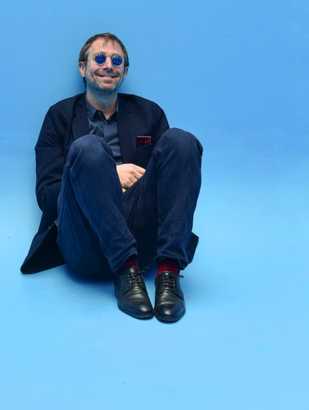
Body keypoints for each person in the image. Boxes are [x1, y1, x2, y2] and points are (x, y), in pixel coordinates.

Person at [20, 34, 202, 323]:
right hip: (85, 240)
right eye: (99, 58)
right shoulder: (58, 116)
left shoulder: (150, 113)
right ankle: (125, 271)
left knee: (182, 140)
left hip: (142, 238)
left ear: (125, 72)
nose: (108, 65)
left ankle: (169, 273)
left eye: (117, 60)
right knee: (88, 148)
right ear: (83, 68)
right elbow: (47, 197)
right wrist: (108, 176)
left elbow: (169, 187)